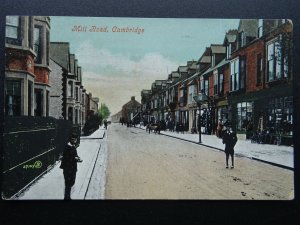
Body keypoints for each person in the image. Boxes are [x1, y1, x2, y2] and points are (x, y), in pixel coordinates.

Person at [60, 134, 82, 200]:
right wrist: (75, 159)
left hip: (72, 168)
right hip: (68, 168)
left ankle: (67, 197)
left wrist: (78, 157)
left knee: (71, 182)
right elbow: (66, 158)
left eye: (75, 139)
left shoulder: (73, 146)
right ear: (71, 139)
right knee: (68, 183)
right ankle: (67, 197)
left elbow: (74, 155)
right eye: (74, 139)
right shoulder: (67, 147)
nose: (75, 140)